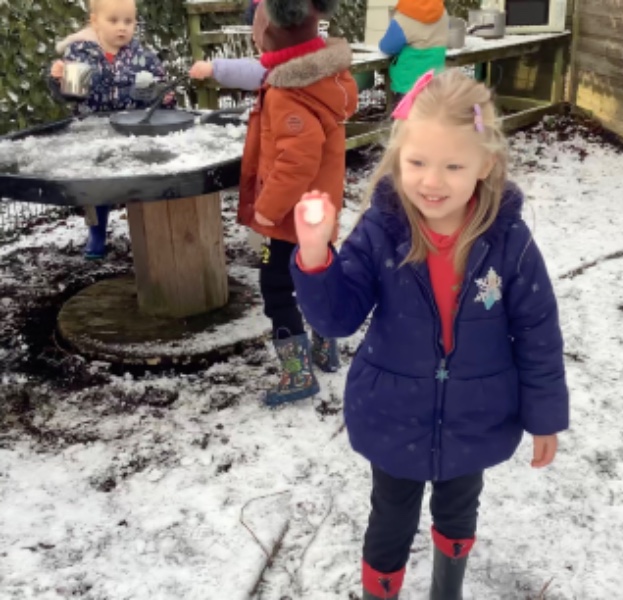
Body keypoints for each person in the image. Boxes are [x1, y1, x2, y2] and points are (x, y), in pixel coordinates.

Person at [290, 69, 570, 599]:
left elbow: (537, 329)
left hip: (476, 415)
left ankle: (447, 591)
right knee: (390, 519)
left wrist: (545, 416)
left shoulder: (507, 239)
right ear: (399, 157)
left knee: (459, 511)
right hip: (393, 414)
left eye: (453, 166)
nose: (432, 182)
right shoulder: (384, 230)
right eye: (417, 162)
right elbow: (337, 319)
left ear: (485, 165)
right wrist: (314, 253)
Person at [237, 0, 359, 406]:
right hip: (319, 214)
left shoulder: (288, 93)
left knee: (277, 290)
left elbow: (297, 160)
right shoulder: (323, 81)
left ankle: (297, 373)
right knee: (320, 280)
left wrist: (267, 209)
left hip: (289, 220)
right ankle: (326, 349)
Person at [48, 0, 174, 260]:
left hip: (132, 129)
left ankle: (150, 233)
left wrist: (164, 95)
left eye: (128, 21)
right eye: (114, 21)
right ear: (95, 21)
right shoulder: (81, 53)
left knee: (143, 178)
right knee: (97, 185)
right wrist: (59, 81)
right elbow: (71, 94)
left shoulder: (142, 56)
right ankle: (97, 232)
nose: (122, 28)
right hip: (93, 130)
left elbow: (159, 86)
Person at [379, 0, 448, 102]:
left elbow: (387, 47)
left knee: (405, 113)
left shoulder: (403, 19)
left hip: (408, 85)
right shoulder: (442, 13)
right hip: (436, 80)